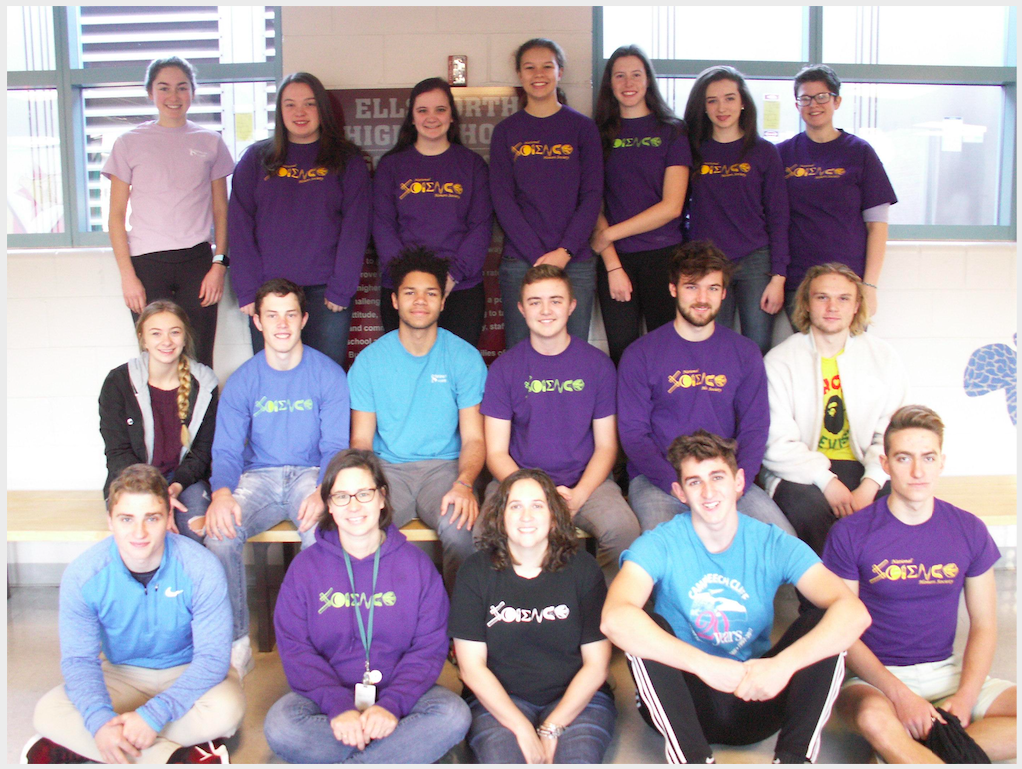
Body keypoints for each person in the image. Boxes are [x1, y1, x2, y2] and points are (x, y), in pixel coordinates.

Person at [601, 430, 871, 764]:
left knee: (824, 621)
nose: (709, 491)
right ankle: (693, 760)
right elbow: (614, 618)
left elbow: (854, 613)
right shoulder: (661, 543)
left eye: (717, 477)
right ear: (679, 492)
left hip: (757, 694)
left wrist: (781, 666)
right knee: (643, 624)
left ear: (739, 481)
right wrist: (704, 664)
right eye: (695, 482)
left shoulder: (772, 542)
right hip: (684, 703)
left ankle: (793, 760)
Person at [824, 405, 1016, 763]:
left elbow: (985, 625)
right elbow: (842, 633)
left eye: (928, 457)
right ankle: (928, 746)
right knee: (873, 720)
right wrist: (900, 696)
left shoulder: (969, 529)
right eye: (903, 458)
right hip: (875, 679)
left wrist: (965, 700)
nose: (917, 471)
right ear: (884, 464)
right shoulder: (850, 534)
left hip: (948, 672)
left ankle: (913, 754)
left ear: (942, 461)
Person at [25, 464, 244, 764]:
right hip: (120, 673)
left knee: (227, 711)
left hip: (187, 671)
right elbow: (79, 661)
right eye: (126, 519)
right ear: (110, 521)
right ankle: (175, 758)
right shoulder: (83, 574)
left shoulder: (201, 567)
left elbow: (212, 660)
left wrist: (154, 714)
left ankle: (87, 748)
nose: (138, 532)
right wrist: (101, 721)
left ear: (168, 518)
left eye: (151, 518)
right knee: (48, 711)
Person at [264, 449, 471, 764]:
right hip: (327, 697)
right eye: (342, 496)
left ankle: (357, 756)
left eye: (364, 493)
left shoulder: (417, 566)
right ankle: (398, 753)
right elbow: (296, 650)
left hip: (400, 695)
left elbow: (429, 647)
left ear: (382, 498)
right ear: (329, 505)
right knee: (281, 725)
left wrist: (392, 705)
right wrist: (338, 707)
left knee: (454, 714)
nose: (354, 506)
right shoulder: (305, 568)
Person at [204, 279, 350, 681]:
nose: (282, 324)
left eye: (290, 315)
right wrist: (220, 494)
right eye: (272, 315)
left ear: (304, 319)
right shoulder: (243, 380)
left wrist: (325, 491)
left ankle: (314, 648)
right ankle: (235, 647)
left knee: (318, 535)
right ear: (258, 322)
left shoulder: (329, 375)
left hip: (311, 476)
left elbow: (335, 447)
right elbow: (228, 450)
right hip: (258, 478)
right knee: (218, 536)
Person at [617, 241, 795, 534]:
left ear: (724, 293)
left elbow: (755, 427)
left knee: (783, 542)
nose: (702, 298)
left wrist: (738, 481)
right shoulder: (640, 354)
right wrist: (678, 485)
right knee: (666, 555)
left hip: (726, 477)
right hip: (660, 480)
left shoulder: (745, 353)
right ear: (673, 289)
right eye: (691, 287)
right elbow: (634, 435)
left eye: (712, 288)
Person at [481, 264, 640, 580]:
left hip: (587, 483)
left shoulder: (598, 366)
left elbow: (607, 446)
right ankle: (504, 616)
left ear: (571, 306)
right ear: (521, 309)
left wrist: (579, 494)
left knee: (624, 532)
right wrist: (538, 497)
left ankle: (604, 619)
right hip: (517, 481)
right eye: (535, 301)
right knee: (480, 535)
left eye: (555, 300)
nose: (545, 310)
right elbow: (496, 453)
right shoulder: (504, 369)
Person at [451, 468, 617, 763]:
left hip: (578, 699)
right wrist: (521, 728)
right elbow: (471, 668)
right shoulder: (475, 572)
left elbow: (597, 665)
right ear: (501, 516)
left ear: (554, 515)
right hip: (498, 701)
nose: (526, 516)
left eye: (537, 506)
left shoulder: (583, 569)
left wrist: (553, 726)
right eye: (515, 506)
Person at [348, 247, 487, 589]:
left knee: (461, 531)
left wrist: (465, 484)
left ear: (443, 302)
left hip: (445, 470)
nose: (420, 301)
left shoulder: (465, 358)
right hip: (387, 470)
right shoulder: (369, 361)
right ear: (394, 300)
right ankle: (380, 626)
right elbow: (361, 442)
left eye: (431, 293)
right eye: (410, 293)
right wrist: (367, 489)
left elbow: (474, 439)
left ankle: (460, 632)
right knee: (361, 528)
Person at [763, 263, 908, 554]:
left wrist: (871, 484)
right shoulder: (779, 361)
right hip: (801, 469)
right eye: (822, 297)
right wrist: (827, 482)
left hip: (866, 464)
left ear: (856, 306)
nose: (832, 307)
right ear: (806, 303)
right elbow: (776, 443)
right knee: (811, 511)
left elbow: (894, 435)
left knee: (893, 506)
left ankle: (871, 596)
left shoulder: (884, 358)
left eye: (843, 298)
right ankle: (820, 599)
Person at [229, 71, 371, 367]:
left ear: (323, 108)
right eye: (290, 105)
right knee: (275, 378)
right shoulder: (256, 160)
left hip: (327, 294)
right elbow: (239, 227)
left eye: (309, 104)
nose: (300, 112)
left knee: (326, 376)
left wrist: (342, 287)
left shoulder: (348, 161)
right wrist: (247, 290)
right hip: (269, 293)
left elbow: (356, 228)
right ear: (280, 112)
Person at [103, 56, 233, 368]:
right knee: (156, 360)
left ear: (192, 92)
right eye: (164, 88)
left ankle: (204, 419)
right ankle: (158, 419)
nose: (173, 97)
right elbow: (116, 216)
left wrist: (219, 265)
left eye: (181, 88)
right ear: (151, 93)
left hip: (197, 263)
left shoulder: (210, 142)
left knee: (200, 358)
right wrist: (127, 276)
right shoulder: (128, 143)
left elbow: (221, 211)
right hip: (147, 266)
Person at [490, 38, 603, 349]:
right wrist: (537, 256)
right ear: (519, 74)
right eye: (529, 67)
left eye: (547, 66)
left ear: (560, 72)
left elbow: (592, 195)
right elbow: (502, 199)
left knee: (572, 351)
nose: (538, 74)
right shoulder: (506, 131)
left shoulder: (582, 128)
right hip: (520, 262)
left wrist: (564, 252)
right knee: (521, 351)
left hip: (575, 261)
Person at [374, 77, 493, 347]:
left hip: (460, 289)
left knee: (456, 375)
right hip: (403, 290)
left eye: (440, 109)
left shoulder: (472, 166)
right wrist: (412, 284)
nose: (431, 118)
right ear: (412, 118)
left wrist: (449, 278)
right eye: (422, 110)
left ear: (452, 116)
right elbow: (383, 227)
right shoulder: (391, 167)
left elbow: (481, 227)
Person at [591, 45, 690, 365]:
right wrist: (612, 263)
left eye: (636, 74)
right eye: (619, 75)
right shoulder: (598, 134)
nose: (628, 82)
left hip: (664, 256)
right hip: (616, 261)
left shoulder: (672, 131)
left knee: (668, 351)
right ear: (610, 84)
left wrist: (610, 235)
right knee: (623, 352)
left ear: (648, 80)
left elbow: (672, 206)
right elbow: (593, 202)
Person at [682, 65, 789, 355]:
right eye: (712, 100)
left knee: (758, 346)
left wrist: (778, 276)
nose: (722, 107)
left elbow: (779, 216)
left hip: (756, 262)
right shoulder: (693, 151)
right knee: (713, 345)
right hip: (708, 264)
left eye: (729, 98)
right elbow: (679, 210)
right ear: (703, 108)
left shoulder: (764, 152)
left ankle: (754, 402)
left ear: (743, 102)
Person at [778, 65, 897, 318]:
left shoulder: (860, 152)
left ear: (837, 101)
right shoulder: (782, 154)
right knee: (806, 352)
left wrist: (870, 285)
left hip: (848, 280)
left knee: (847, 354)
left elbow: (877, 225)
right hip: (798, 278)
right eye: (805, 98)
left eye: (822, 97)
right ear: (797, 105)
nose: (814, 105)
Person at [99, 300, 218, 543]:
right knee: (148, 532)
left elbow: (202, 454)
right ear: (143, 339)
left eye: (175, 332)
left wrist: (173, 489)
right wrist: (156, 494)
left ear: (185, 338)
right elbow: (117, 453)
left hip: (184, 483)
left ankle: (185, 583)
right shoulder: (118, 382)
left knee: (196, 531)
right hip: (131, 481)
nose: (167, 341)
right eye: (156, 333)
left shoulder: (204, 385)